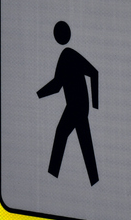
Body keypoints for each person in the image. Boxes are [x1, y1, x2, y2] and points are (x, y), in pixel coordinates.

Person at [37, 21, 100, 186]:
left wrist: (96, 104)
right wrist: (39, 94)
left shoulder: (68, 55)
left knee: (62, 135)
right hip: (77, 106)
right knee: (83, 142)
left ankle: (52, 176)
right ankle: (94, 180)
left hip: (76, 107)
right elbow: (58, 85)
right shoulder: (67, 55)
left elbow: (94, 73)